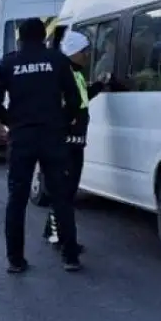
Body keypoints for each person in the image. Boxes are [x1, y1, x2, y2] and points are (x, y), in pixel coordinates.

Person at [0, 17, 84, 273]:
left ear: (20, 37)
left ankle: (15, 260)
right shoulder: (57, 60)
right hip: (53, 137)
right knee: (61, 198)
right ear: (43, 36)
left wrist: (13, 122)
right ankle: (70, 256)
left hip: (22, 139)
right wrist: (61, 122)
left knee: (17, 199)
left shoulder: (9, 62)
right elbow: (74, 100)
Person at [42, 30, 111, 251]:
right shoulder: (64, 74)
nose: (87, 56)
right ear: (73, 53)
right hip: (66, 143)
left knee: (64, 192)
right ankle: (60, 239)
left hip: (75, 141)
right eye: (84, 52)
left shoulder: (76, 73)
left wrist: (99, 85)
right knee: (65, 193)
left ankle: (51, 232)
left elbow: (80, 99)